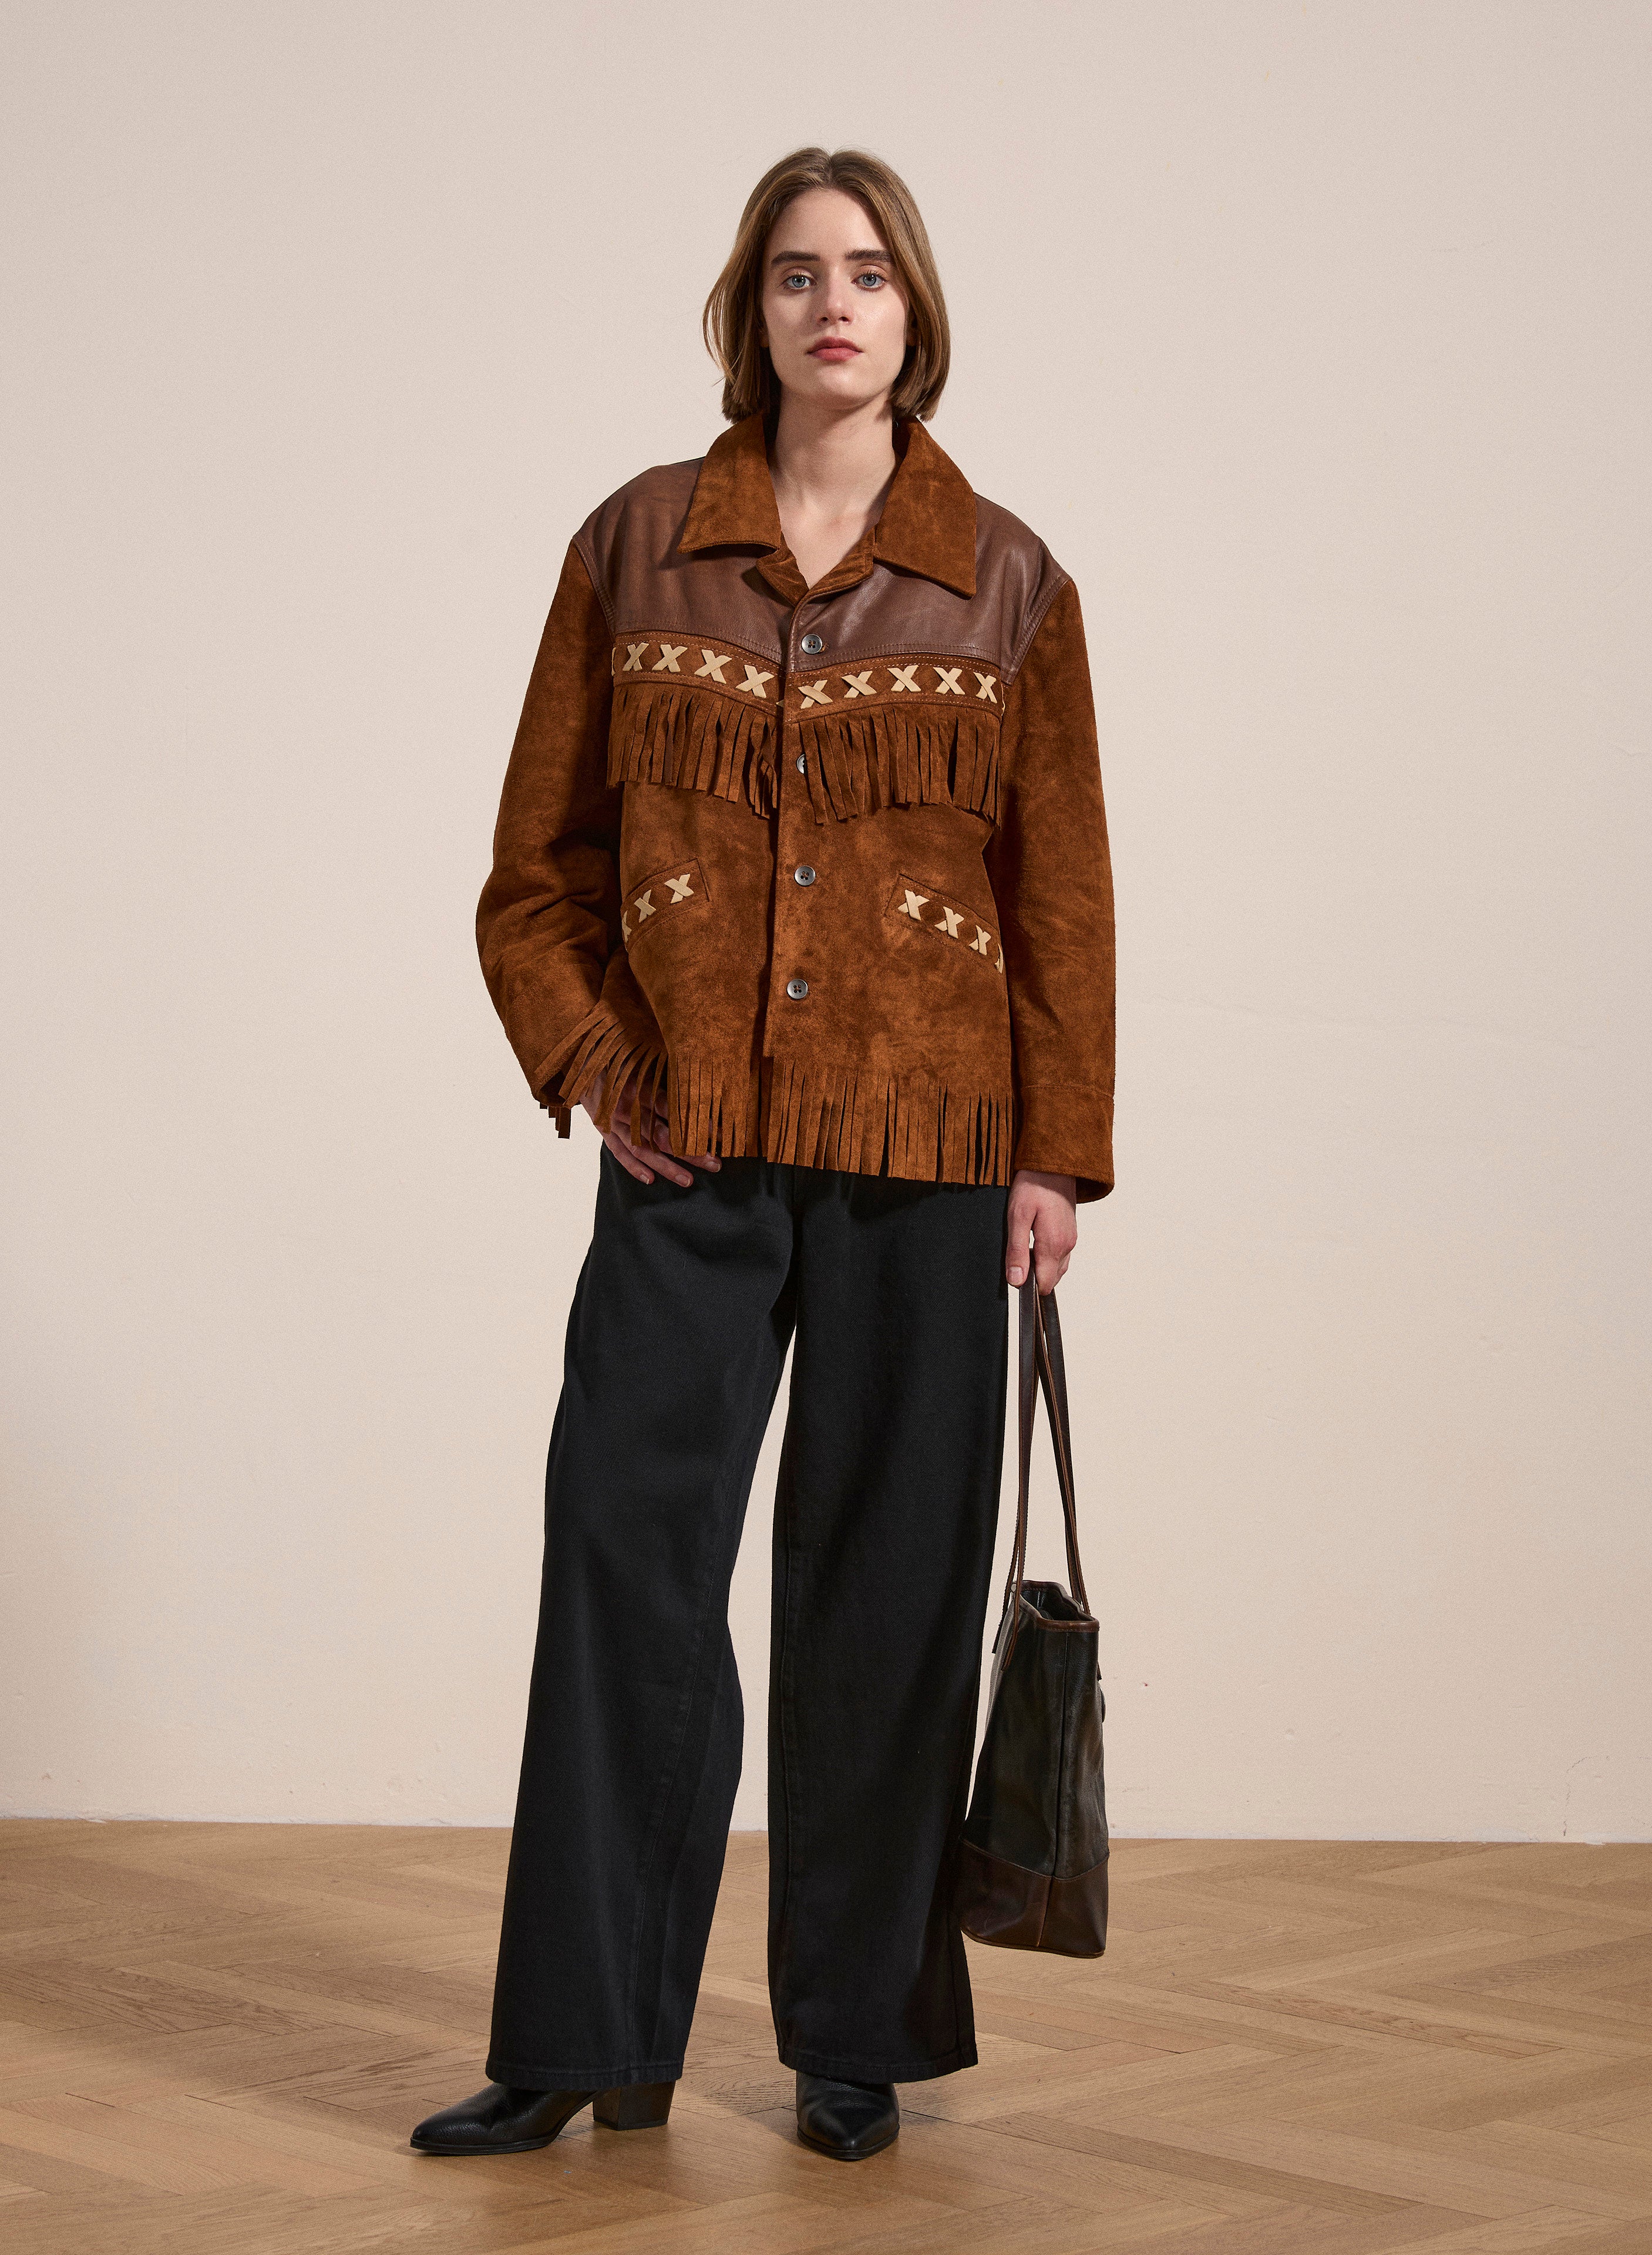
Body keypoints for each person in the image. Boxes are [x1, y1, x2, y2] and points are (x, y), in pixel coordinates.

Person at [411, 145, 1115, 2166]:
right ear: (754, 305)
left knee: (883, 1591)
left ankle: (854, 2042)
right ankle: (583, 2032)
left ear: (916, 316)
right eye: (800, 271)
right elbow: (529, 876)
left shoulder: (1010, 579)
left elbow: (1060, 899)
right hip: (688, 1157)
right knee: (623, 1566)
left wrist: (1056, 1154)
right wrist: (593, 1059)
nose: (835, 304)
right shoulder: (636, 550)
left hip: (930, 1157)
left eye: (871, 274)